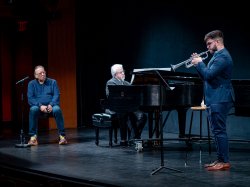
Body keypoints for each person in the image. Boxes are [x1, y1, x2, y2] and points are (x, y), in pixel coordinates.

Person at [191, 30, 235, 171]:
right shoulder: (217, 56)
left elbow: (208, 74)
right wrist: (198, 65)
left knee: (219, 131)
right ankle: (220, 160)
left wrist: (200, 63)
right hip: (214, 98)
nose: (207, 47)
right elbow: (205, 77)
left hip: (220, 98)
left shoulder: (223, 57)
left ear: (217, 41)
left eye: (209, 43)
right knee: (216, 131)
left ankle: (224, 161)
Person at [105, 64, 147, 146]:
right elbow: (110, 97)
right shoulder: (111, 82)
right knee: (123, 113)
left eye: (123, 71)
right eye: (121, 72)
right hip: (115, 107)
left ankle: (133, 137)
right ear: (115, 74)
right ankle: (123, 140)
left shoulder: (127, 83)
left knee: (143, 116)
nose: (123, 73)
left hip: (128, 107)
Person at [27, 65, 67, 146]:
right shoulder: (31, 84)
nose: (43, 74)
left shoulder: (53, 82)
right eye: (40, 73)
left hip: (51, 107)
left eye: (44, 72)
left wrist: (51, 105)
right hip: (38, 108)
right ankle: (33, 138)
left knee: (57, 109)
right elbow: (30, 98)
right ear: (36, 75)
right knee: (33, 109)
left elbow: (56, 95)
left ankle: (62, 136)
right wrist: (40, 106)